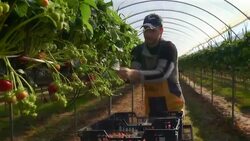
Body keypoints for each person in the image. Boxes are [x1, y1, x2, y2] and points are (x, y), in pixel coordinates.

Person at [117, 13, 185, 117]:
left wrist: (133, 73)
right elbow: (133, 77)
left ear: (161, 30)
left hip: (172, 105)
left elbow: (162, 74)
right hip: (151, 103)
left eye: (152, 30)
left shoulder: (168, 48)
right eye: (146, 30)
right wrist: (123, 75)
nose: (148, 34)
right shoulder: (138, 50)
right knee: (153, 130)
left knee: (171, 131)